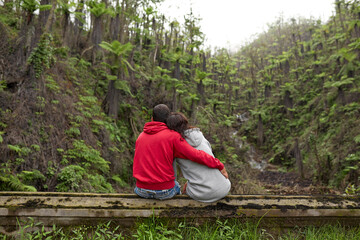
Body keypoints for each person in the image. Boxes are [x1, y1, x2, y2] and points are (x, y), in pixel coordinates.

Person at [133, 104, 228, 200]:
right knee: (178, 187)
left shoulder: (140, 137)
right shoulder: (173, 136)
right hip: (164, 192)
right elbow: (196, 155)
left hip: (141, 190)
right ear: (167, 120)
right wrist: (219, 164)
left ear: (152, 118)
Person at [166, 112, 231, 203]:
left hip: (203, 193)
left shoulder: (177, 146)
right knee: (188, 185)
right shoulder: (200, 136)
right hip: (224, 187)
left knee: (183, 189)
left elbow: (173, 175)